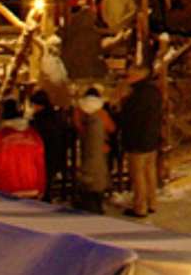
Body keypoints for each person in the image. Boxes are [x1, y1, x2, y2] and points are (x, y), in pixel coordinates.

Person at [118, 64, 163, 217]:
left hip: (137, 140)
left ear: (138, 76)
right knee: (150, 172)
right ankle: (152, 203)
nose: (127, 79)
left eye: (129, 76)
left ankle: (140, 206)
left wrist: (122, 102)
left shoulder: (135, 96)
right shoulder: (154, 92)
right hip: (152, 138)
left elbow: (127, 117)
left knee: (138, 175)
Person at [0, 100, 46, 199]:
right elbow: (40, 163)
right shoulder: (34, 135)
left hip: (7, 188)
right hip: (32, 187)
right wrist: (41, 186)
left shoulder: (0, 136)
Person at [73, 85, 114, 213]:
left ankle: (87, 201)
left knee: (87, 174)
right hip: (102, 148)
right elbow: (112, 128)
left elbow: (76, 125)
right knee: (99, 175)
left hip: (86, 147)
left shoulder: (78, 111)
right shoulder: (102, 113)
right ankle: (97, 202)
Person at [27, 89, 71, 200]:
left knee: (43, 181)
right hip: (55, 152)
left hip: (44, 153)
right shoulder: (55, 117)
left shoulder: (40, 119)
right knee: (48, 180)